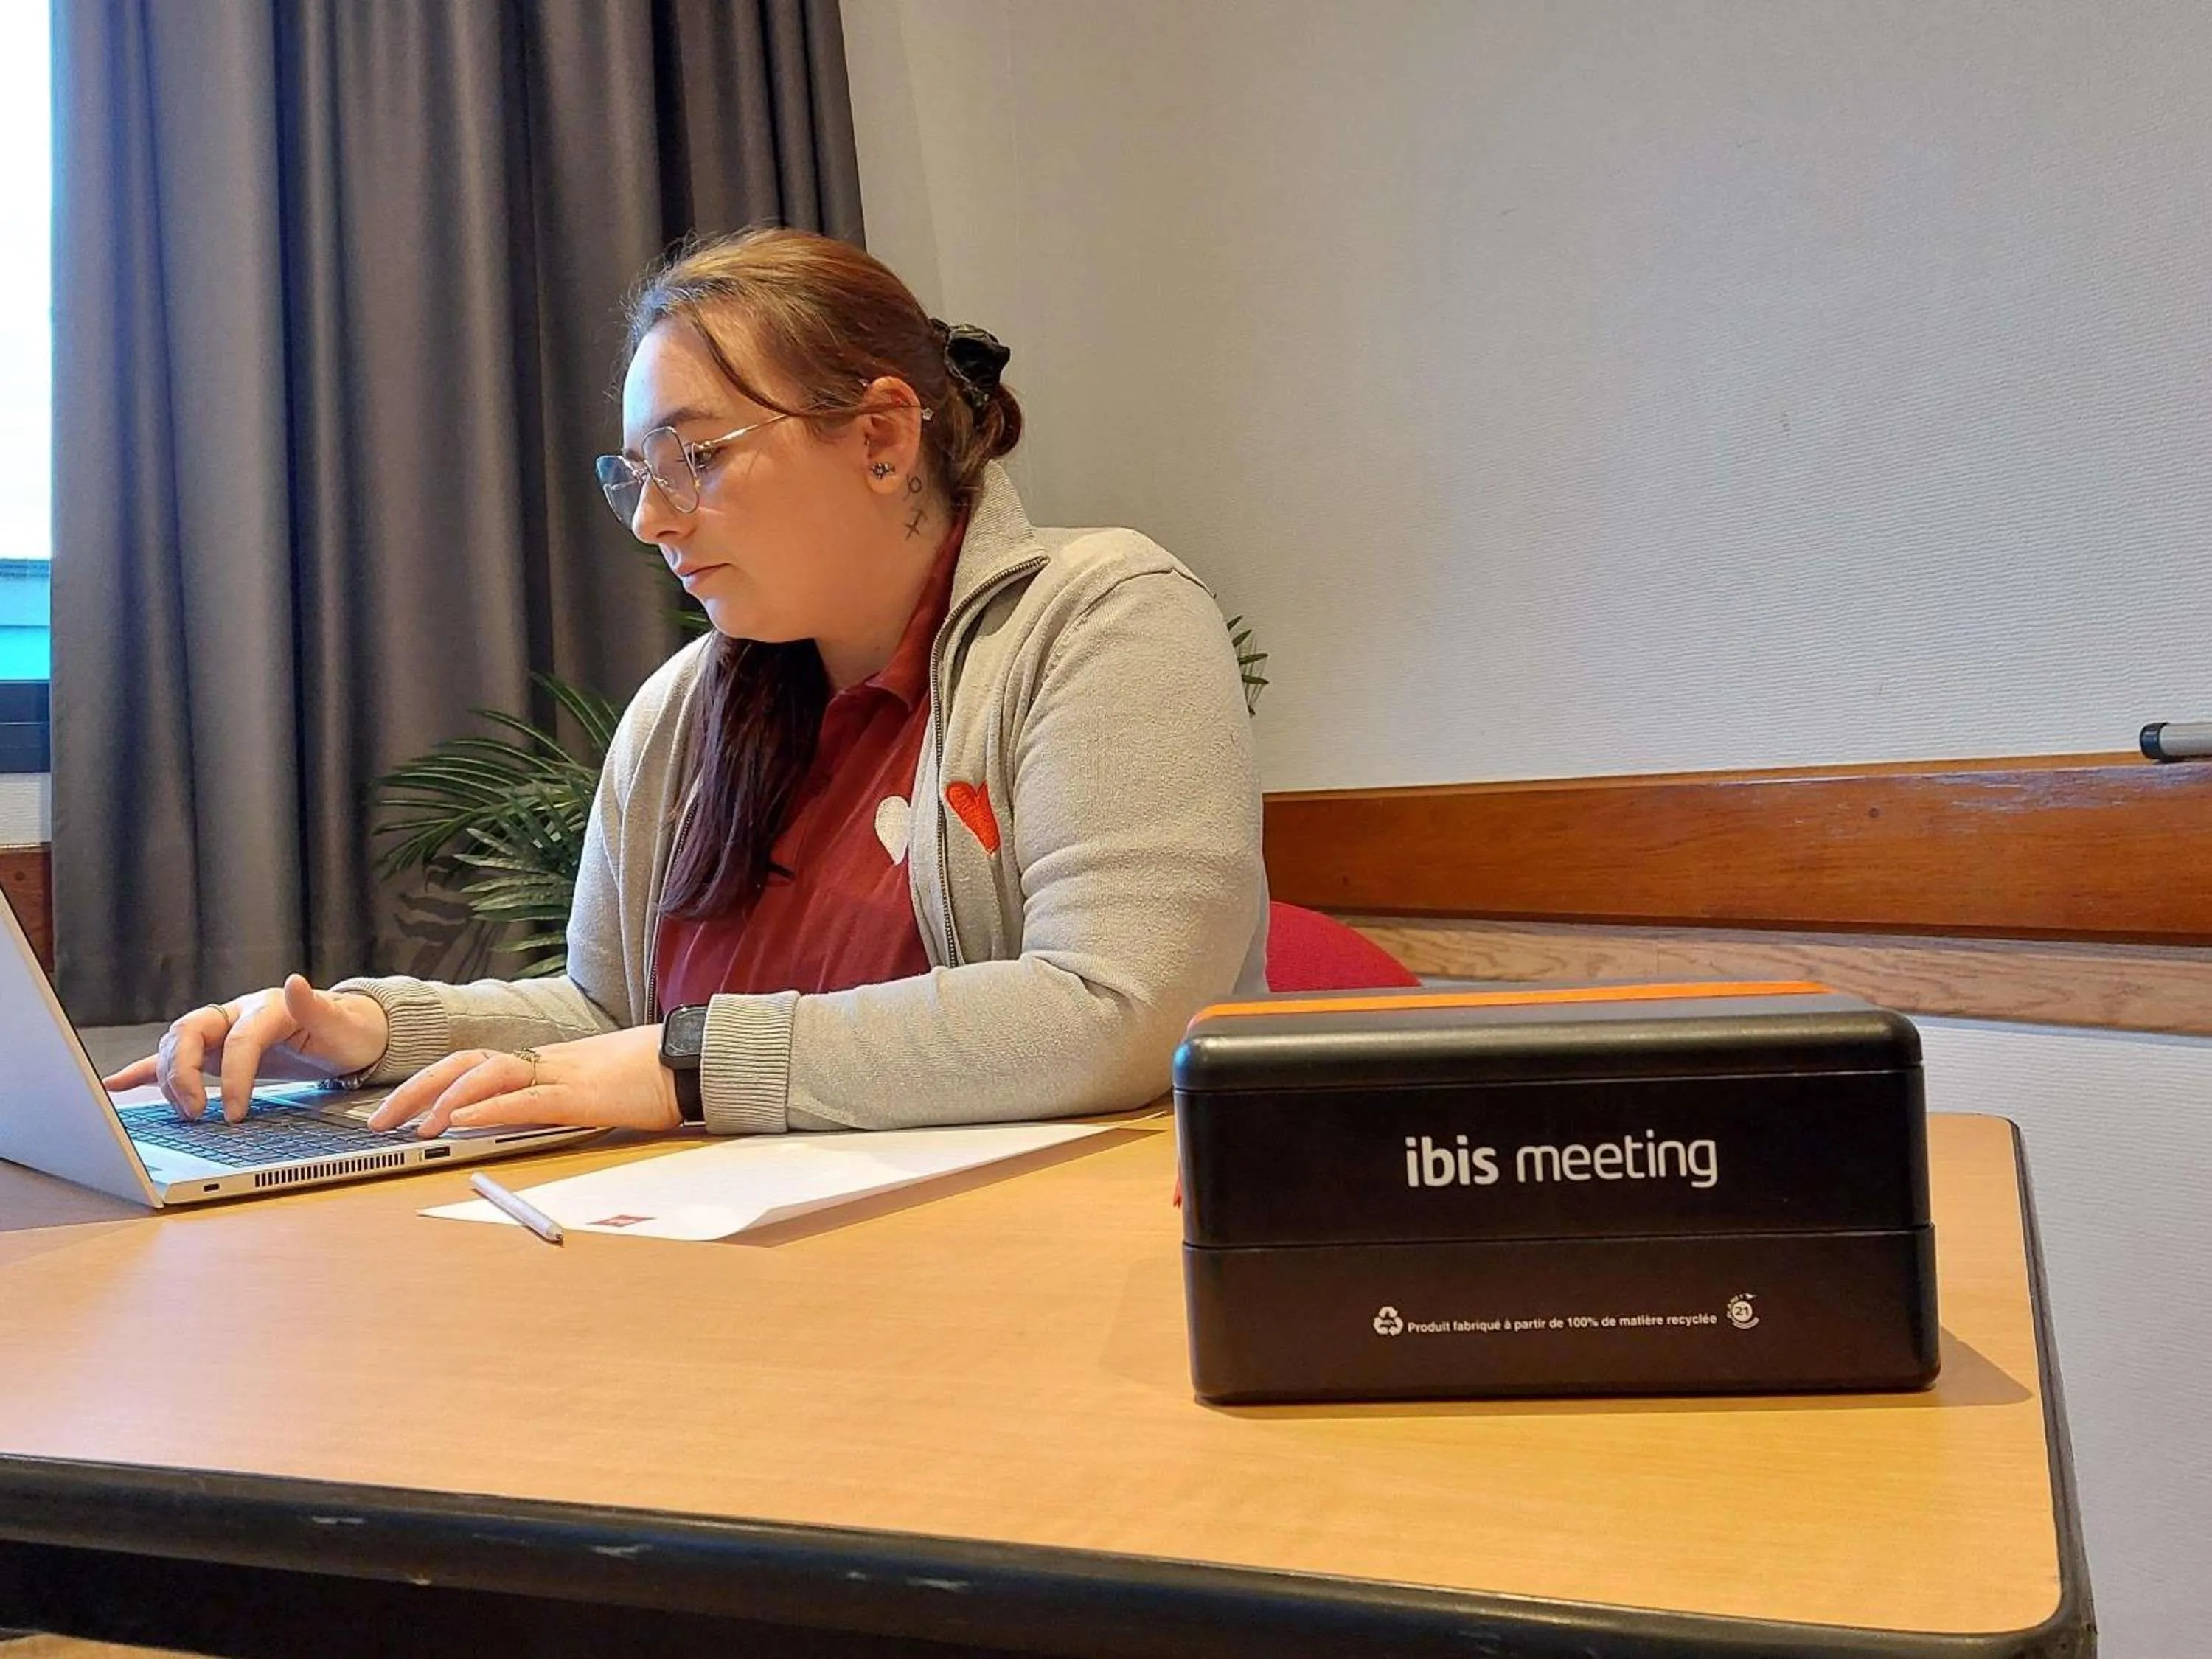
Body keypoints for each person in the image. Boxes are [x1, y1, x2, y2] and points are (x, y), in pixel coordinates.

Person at [105, 226, 1268, 1138]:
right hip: (732, 1268)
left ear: (881, 434)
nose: (655, 521)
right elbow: (611, 1016)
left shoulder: (1103, 614)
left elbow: (1115, 1013)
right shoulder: (688, 708)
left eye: (695, 458)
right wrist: (371, 1029)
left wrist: (689, 1067)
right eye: (636, 476)